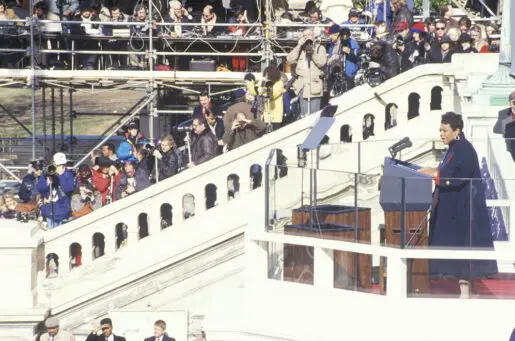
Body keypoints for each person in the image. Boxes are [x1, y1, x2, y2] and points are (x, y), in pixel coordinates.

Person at [419, 112, 498, 298]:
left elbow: (457, 177)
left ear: (457, 131)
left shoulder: (464, 149)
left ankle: (465, 290)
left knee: (464, 248)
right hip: (455, 209)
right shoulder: (454, 148)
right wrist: (434, 171)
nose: (441, 134)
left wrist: (435, 174)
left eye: (445, 130)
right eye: (440, 130)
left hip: (463, 211)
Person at [286, 28, 327, 116]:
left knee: (314, 114)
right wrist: (298, 46)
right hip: (302, 85)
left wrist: (312, 53)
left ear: (313, 36)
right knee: (304, 114)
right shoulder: (300, 49)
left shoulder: (320, 48)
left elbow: (322, 63)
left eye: (309, 35)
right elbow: (289, 59)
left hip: (314, 85)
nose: (307, 37)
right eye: (304, 35)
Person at [36, 152, 75, 229]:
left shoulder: (69, 174)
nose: (60, 167)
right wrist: (47, 183)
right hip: (48, 212)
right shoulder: (47, 173)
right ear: (53, 163)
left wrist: (61, 176)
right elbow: (40, 189)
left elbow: (68, 190)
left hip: (63, 212)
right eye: (58, 165)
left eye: (62, 165)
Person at [249, 65, 284, 131]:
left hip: (275, 117)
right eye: (265, 74)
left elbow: (272, 95)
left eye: (268, 74)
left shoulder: (279, 83)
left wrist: (262, 90)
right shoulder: (263, 81)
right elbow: (254, 92)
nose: (266, 76)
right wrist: (251, 84)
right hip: (265, 115)